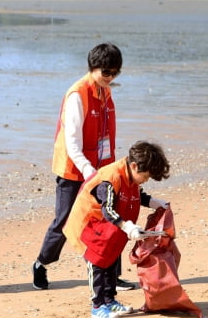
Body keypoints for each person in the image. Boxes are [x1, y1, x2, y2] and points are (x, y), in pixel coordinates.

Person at [32, 43, 135, 291]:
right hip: (73, 167)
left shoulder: (105, 91)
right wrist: (88, 170)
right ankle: (41, 264)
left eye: (115, 73)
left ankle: (112, 273)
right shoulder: (77, 94)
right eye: (106, 72)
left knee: (110, 215)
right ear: (93, 68)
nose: (110, 78)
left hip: (101, 167)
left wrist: (110, 170)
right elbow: (72, 142)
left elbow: (106, 137)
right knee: (65, 219)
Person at [63, 140, 171, 318]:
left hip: (109, 228)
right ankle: (97, 306)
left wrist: (154, 202)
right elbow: (108, 209)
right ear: (135, 165)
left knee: (111, 261)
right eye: (146, 176)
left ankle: (109, 299)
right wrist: (128, 226)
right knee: (97, 264)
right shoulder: (110, 178)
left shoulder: (131, 174)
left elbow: (137, 194)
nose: (146, 180)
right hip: (90, 225)